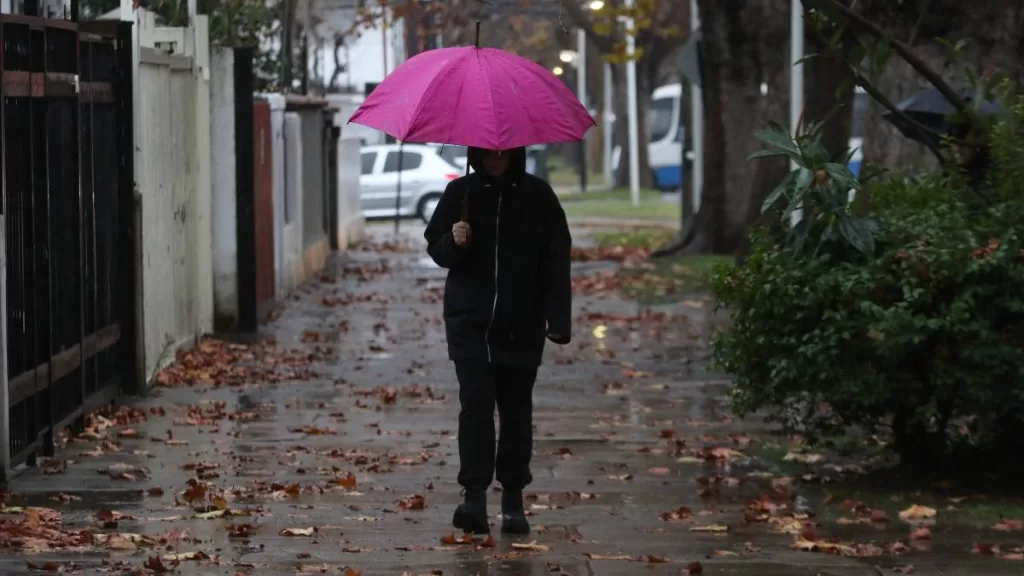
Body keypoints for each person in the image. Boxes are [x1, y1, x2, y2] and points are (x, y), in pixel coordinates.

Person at [424, 146, 572, 536]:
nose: (495, 159)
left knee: (516, 411)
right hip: (469, 323)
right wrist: (454, 241)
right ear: (476, 151)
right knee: (474, 408)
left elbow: (556, 260)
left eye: (503, 152)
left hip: (521, 324)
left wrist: (558, 319)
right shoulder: (461, 195)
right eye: (488, 152)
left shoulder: (539, 197)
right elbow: (437, 250)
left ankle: (513, 498)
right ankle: (473, 497)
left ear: (516, 151)